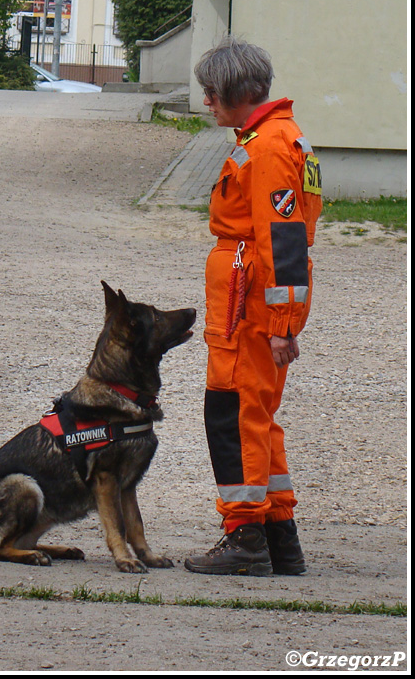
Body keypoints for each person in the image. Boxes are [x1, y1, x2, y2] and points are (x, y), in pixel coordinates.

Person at [184, 36, 322, 576]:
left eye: (211, 94)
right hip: (253, 305)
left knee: (234, 415)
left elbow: (283, 240)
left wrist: (284, 325)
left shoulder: (266, 148)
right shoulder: (282, 138)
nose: (206, 103)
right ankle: (277, 537)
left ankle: (244, 538)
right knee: (258, 418)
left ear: (236, 92)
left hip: (250, 310)